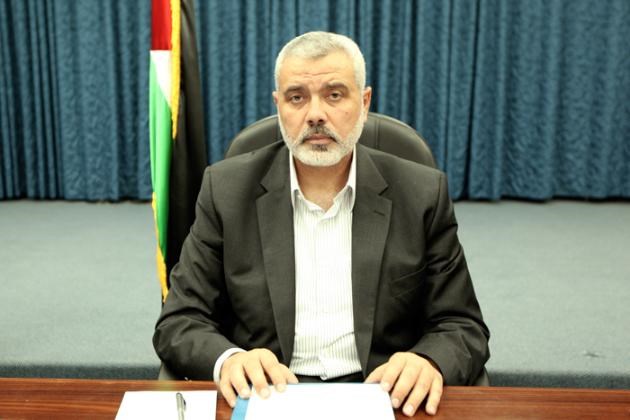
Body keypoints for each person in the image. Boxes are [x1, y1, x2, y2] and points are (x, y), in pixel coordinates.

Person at [153, 31, 489, 417]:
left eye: (334, 95)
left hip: (383, 395)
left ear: (364, 103)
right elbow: (179, 320)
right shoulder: (227, 191)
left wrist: (428, 361)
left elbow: (462, 325)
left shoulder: (421, 193)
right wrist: (228, 359)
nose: (315, 114)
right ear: (279, 106)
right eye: (297, 97)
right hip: (269, 394)